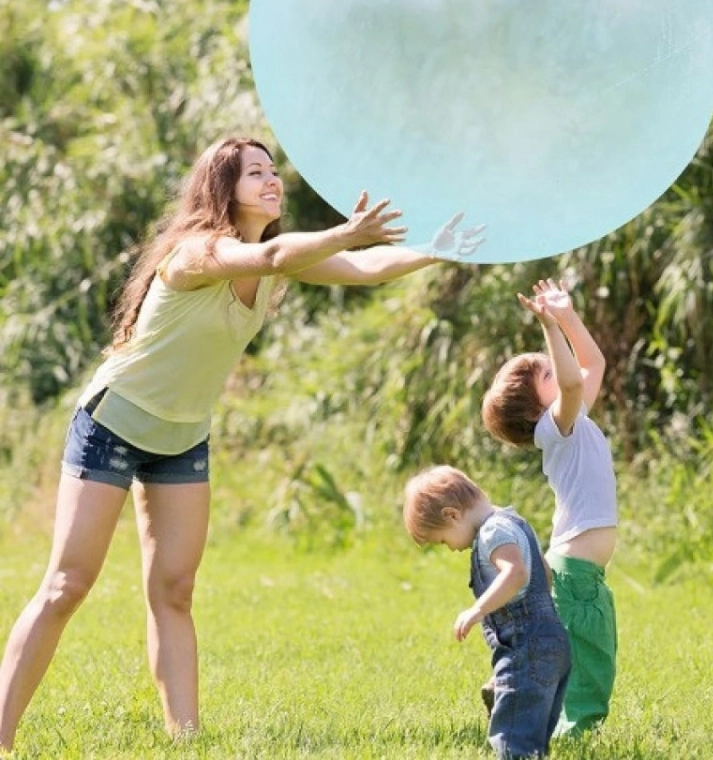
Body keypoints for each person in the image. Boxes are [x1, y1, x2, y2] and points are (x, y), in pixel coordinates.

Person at [0, 136, 482, 751]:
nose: (271, 180)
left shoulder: (272, 261)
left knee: (175, 590)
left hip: (182, 436)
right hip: (113, 424)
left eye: (273, 170)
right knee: (68, 584)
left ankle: (186, 740)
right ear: (223, 188)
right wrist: (346, 231)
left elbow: (363, 270)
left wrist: (434, 250)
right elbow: (280, 250)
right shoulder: (195, 253)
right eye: (255, 172)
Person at [481, 279, 617, 737]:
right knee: (590, 657)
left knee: (574, 651)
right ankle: (572, 731)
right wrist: (550, 327)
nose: (558, 372)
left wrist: (567, 315)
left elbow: (592, 364)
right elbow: (575, 379)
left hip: (578, 569)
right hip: (577, 570)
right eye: (547, 374)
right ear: (534, 412)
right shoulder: (555, 430)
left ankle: (514, 689)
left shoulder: (573, 420)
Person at [403, 465, 571, 760]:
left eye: (442, 540)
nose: (450, 548)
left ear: (452, 515)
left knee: (513, 741)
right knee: (533, 740)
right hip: (553, 643)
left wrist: (478, 609)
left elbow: (516, 573)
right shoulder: (516, 522)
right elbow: (543, 573)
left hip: (526, 648)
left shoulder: (492, 532)